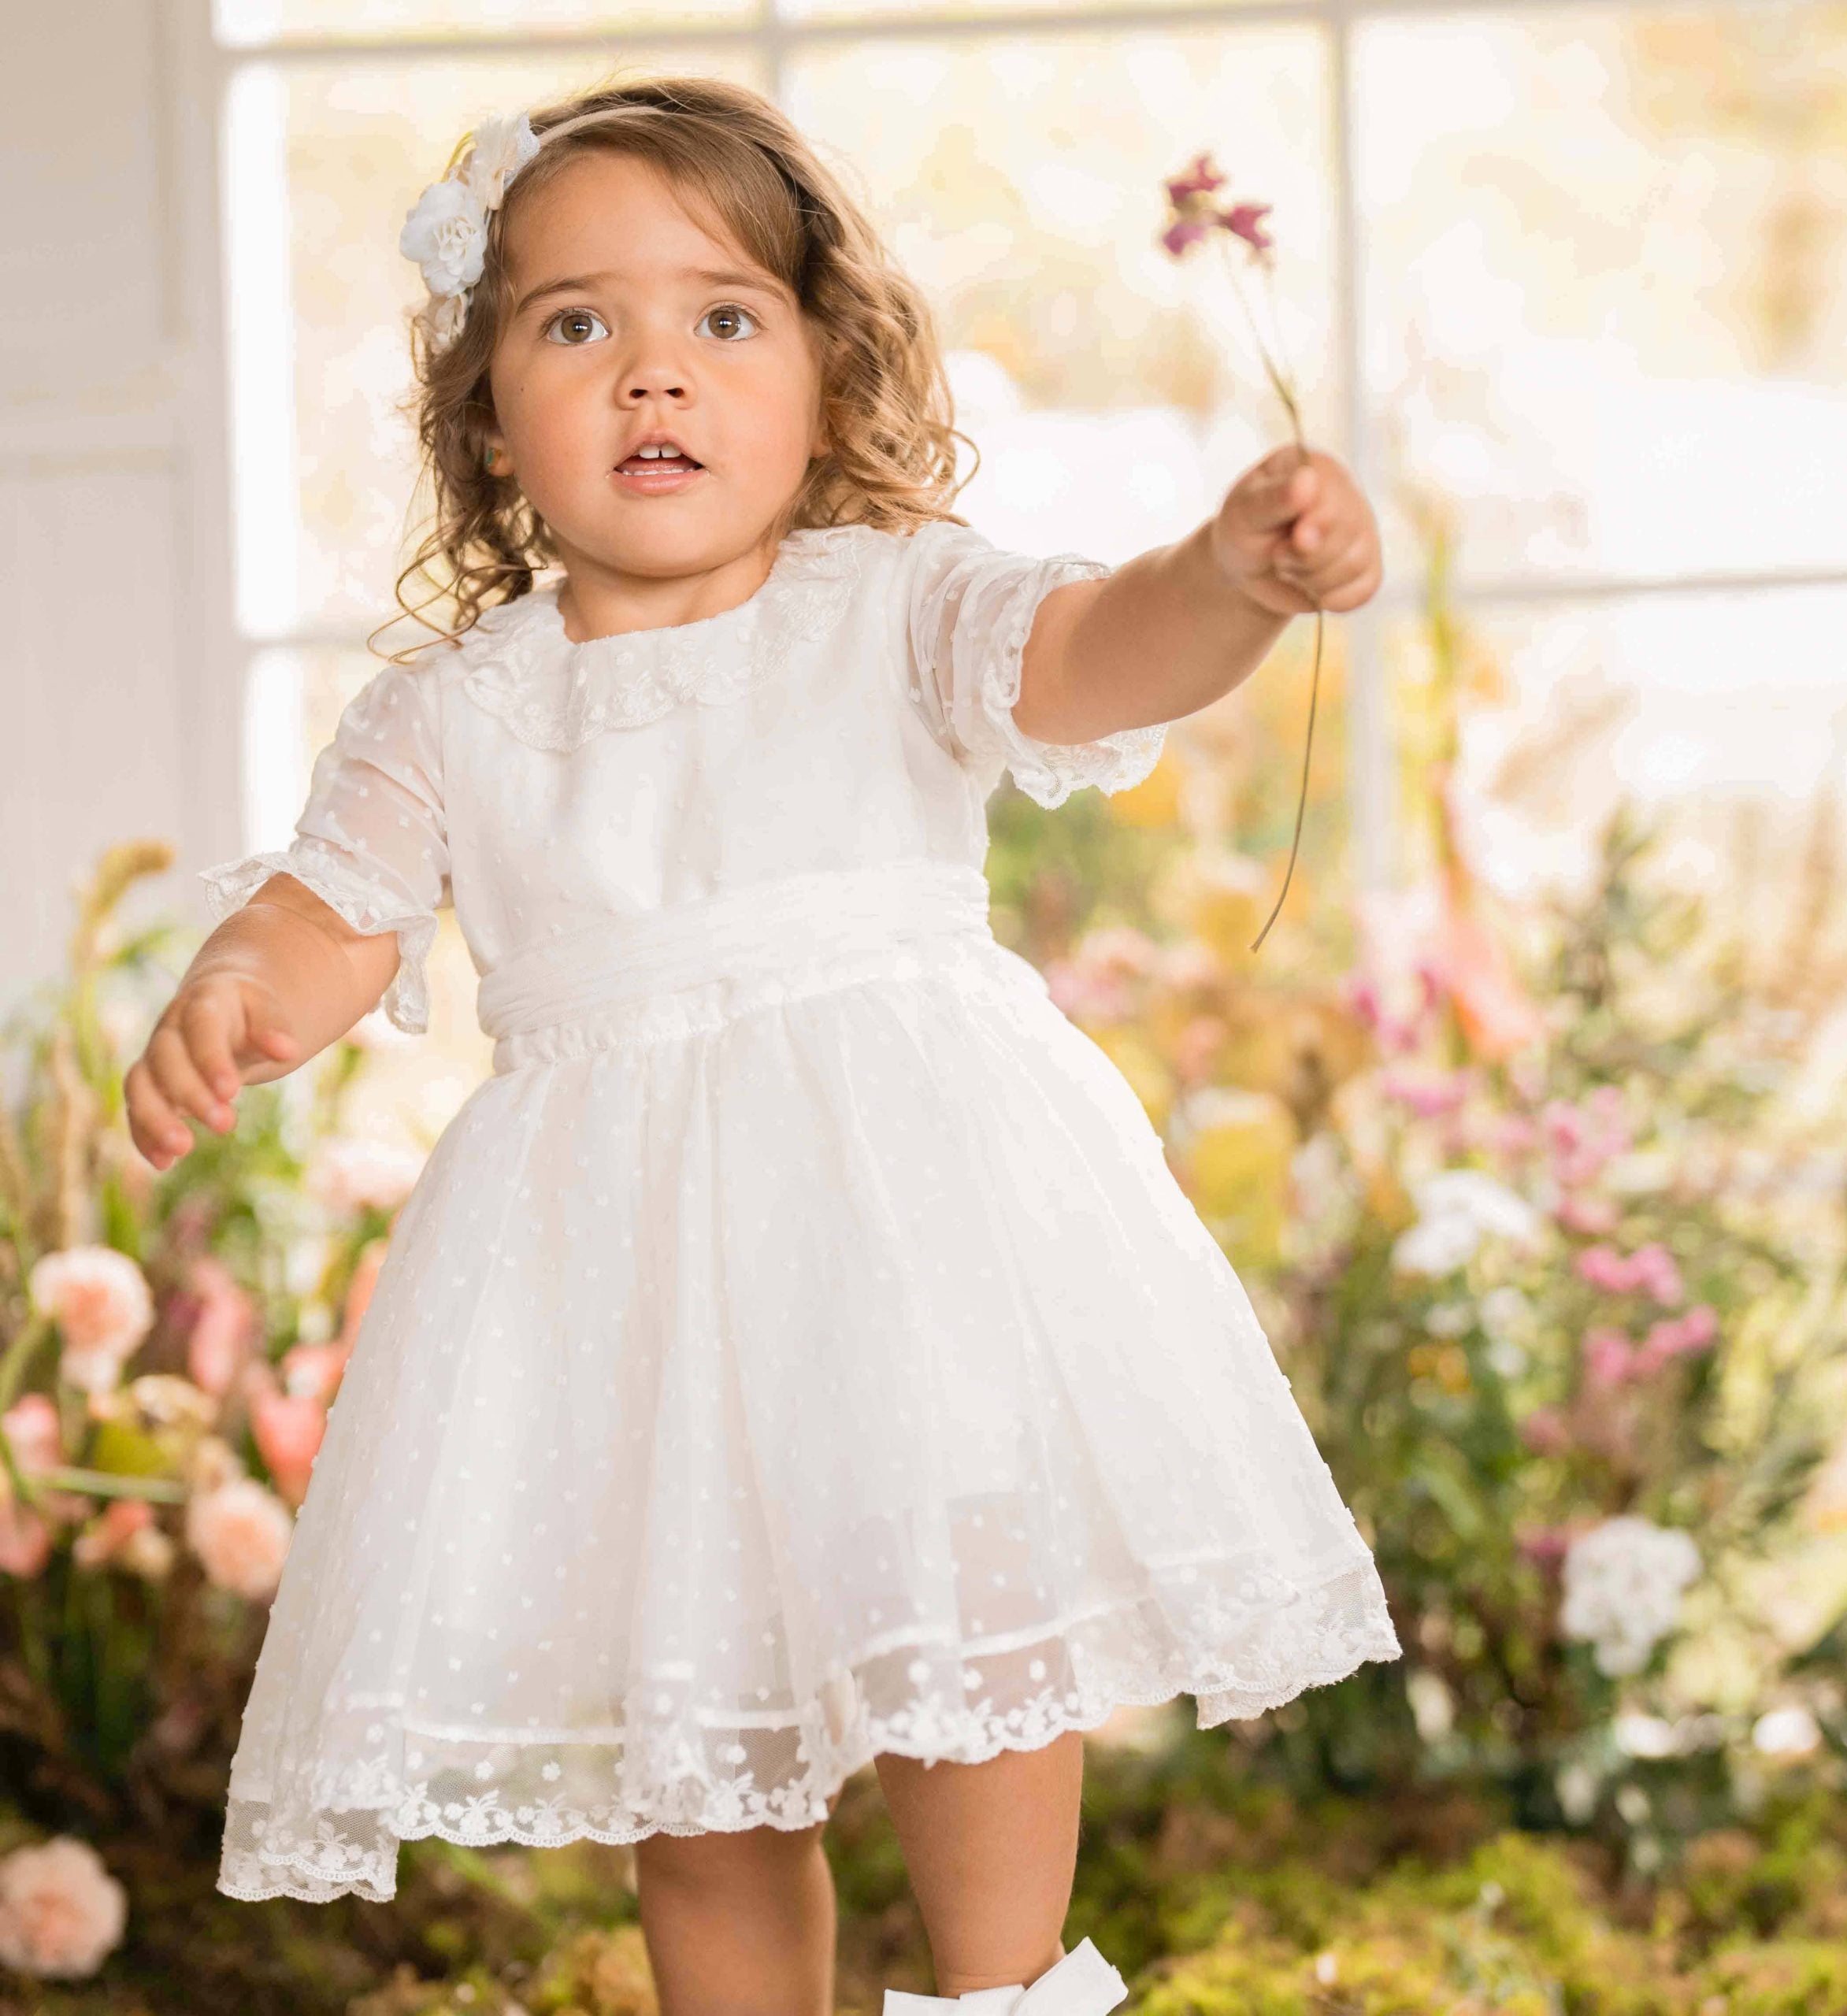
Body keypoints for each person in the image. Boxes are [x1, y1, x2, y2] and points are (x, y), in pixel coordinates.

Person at [124, 75, 1399, 2016]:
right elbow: (331, 907)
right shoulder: (458, 713)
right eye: (578, 326)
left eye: (721, 319)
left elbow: (1091, 656)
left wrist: (1223, 580)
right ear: (485, 413)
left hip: (904, 1238)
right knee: (699, 1764)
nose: (655, 377)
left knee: (971, 1659)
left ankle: (999, 1995)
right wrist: (237, 991)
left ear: (829, 369)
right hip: (618, 1292)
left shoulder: (891, 609)